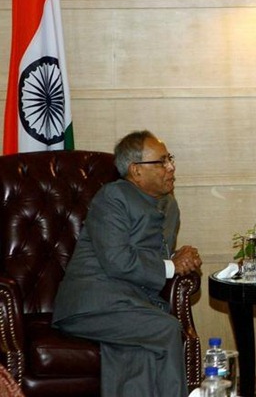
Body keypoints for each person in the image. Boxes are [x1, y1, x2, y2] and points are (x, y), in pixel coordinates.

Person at [52, 130, 202, 397]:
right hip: (93, 304)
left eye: (170, 159)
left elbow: (158, 252)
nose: (171, 167)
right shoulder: (113, 197)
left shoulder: (169, 205)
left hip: (133, 305)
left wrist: (182, 258)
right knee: (165, 328)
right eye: (162, 161)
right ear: (136, 171)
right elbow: (117, 261)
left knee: (138, 353)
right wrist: (172, 266)